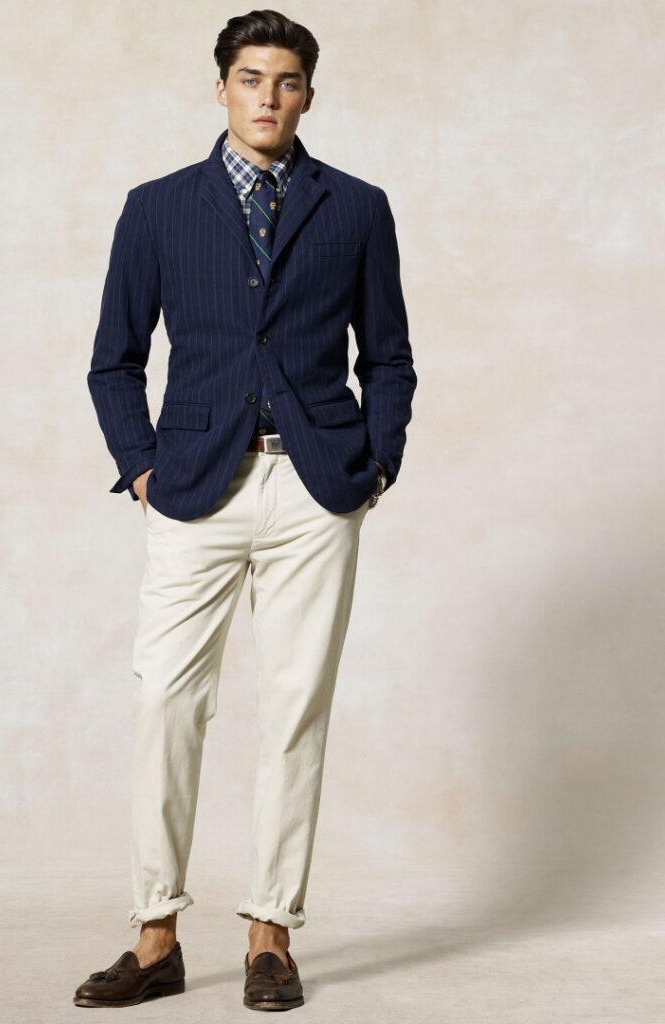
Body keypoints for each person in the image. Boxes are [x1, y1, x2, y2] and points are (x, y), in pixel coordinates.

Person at [75, 8, 415, 1012]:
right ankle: (155, 936)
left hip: (316, 488)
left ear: (308, 94)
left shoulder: (357, 208)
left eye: (288, 80)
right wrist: (141, 467)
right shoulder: (157, 208)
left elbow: (388, 355)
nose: (269, 96)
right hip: (194, 488)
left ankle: (272, 933)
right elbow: (114, 360)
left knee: (295, 706)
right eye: (252, 78)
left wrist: (375, 463)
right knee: (165, 701)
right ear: (220, 88)